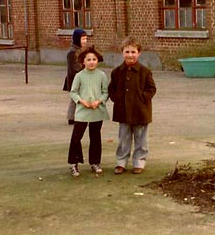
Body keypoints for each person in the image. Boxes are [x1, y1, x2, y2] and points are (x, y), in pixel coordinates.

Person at [108, 36, 156, 174]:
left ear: (139, 53)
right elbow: (112, 88)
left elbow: (151, 89)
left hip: (141, 111)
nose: (130, 55)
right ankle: (121, 162)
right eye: (127, 52)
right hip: (123, 111)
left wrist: (143, 98)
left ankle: (139, 162)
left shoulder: (145, 71)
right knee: (124, 139)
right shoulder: (117, 72)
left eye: (133, 52)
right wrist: (116, 99)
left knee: (141, 140)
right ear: (122, 52)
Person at [67, 45, 109, 177]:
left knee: (95, 137)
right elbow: (73, 92)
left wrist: (99, 101)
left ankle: (95, 162)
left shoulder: (101, 75)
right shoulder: (79, 76)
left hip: (97, 110)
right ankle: (74, 163)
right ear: (83, 61)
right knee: (76, 137)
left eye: (94, 59)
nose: (91, 62)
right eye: (88, 59)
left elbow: (105, 92)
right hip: (82, 111)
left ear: (98, 60)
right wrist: (81, 101)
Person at [63, 29, 88, 125]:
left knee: (78, 98)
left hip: (79, 77)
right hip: (74, 79)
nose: (85, 41)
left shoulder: (80, 50)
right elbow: (73, 68)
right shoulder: (72, 52)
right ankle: (71, 117)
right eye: (83, 39)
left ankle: (75, 116)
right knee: (75, 99)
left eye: (86, 39)